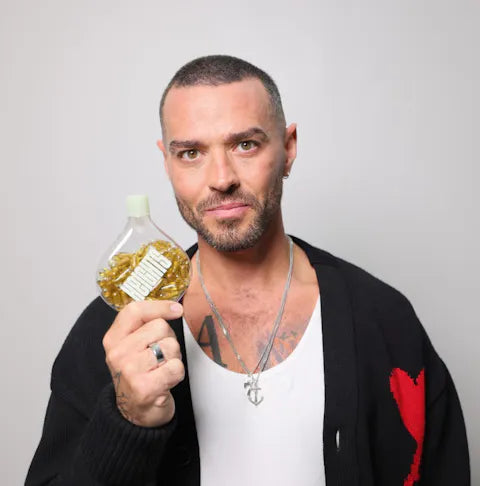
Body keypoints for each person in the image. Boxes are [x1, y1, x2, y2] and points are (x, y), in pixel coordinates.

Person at [26, 55, 470, 486]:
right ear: (167, 163)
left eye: (245, 145)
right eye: (191, 153)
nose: (222, 178)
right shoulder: (117, 332)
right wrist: (127, 420)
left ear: (288, 149)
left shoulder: (382, 319)